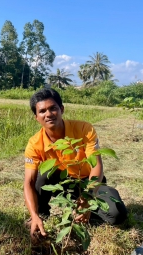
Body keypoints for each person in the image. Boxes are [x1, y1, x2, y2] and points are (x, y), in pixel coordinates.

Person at [24, 88, 128, 238]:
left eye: (53, 108)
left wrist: (87, 198)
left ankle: (89, 209)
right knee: (44, 174)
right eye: (42, 111)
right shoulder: (34, 144)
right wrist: (33, 214)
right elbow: (28, 182)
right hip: (62, 181)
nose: (48, 114)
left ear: (62, 109)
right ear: (36, 117)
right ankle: (41, 215)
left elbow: (96, 166)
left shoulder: (84, 129)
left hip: (88, 182)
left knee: (117, 215)